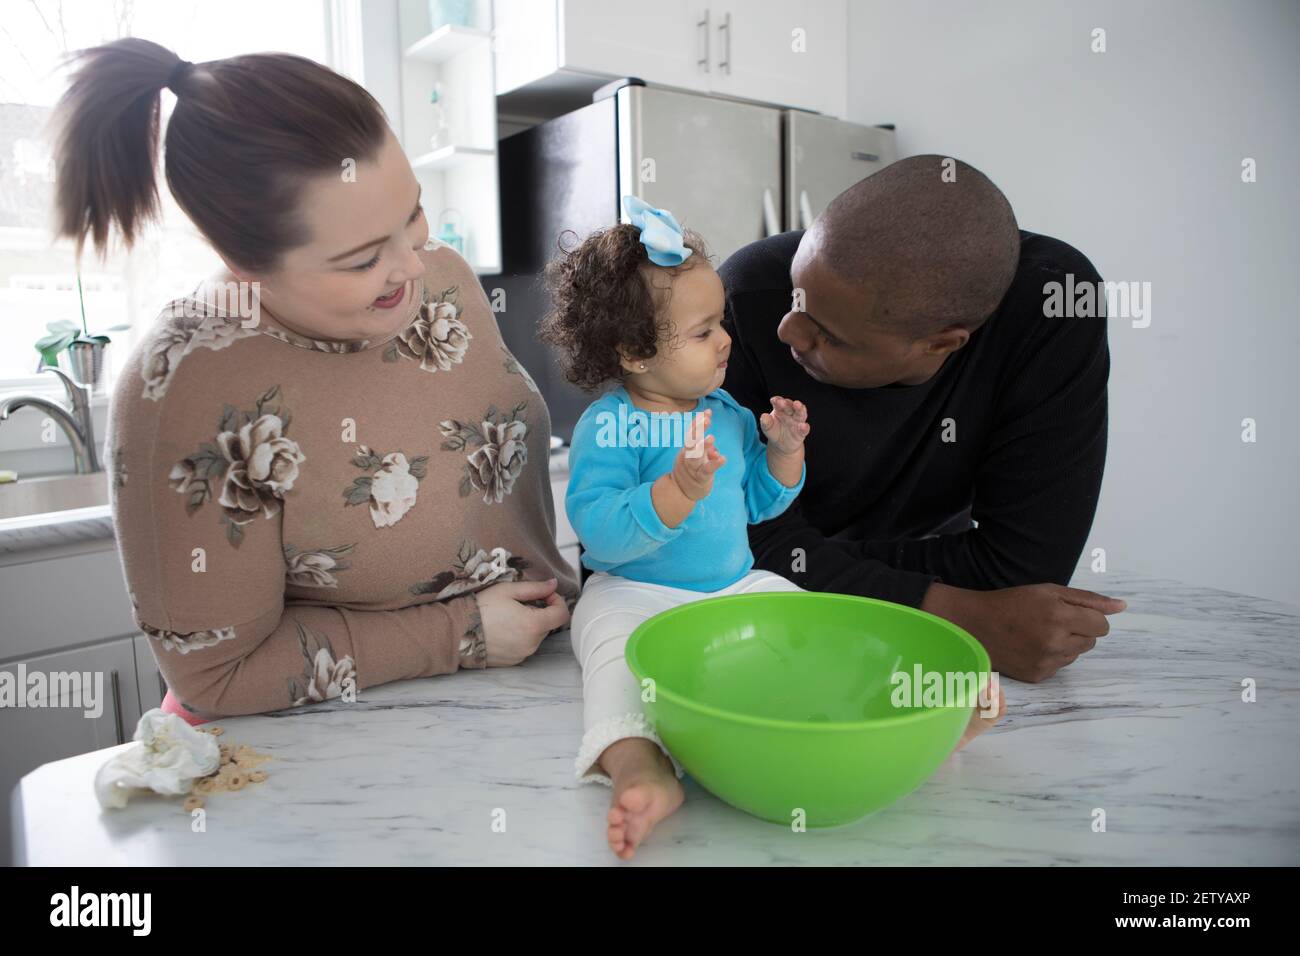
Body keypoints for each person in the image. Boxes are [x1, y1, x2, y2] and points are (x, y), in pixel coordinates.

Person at [48, 38, 575, 721]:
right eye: (360, 260)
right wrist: (460, 635)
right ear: (244, 263)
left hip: (531, 689)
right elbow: (218, 675)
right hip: (329, 745)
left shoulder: (441, 277)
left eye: (410, 214)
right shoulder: (184, 383)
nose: (414, 267)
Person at [540, 195, 1002, 860]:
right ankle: (641, 767)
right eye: (702, 333)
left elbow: (759, 505)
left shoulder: (725, 411)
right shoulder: (608, 428)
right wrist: (674, 492)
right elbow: (604, 535)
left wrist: (785, 454)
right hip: (635, 594)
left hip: (735, 587)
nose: (727, 339)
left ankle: (917, 722)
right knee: (610, 661)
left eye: (720, 321)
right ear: (635, 354)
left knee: (813, 629)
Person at [721, 156, 1127, 684]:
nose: (787, 332)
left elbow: (1022, 572)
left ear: (942, 345)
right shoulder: (745, 295)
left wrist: (809, 563)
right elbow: (733, 546)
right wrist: (959, 611)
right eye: (797, 295)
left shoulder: (1055, 305)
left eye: (828, 336)